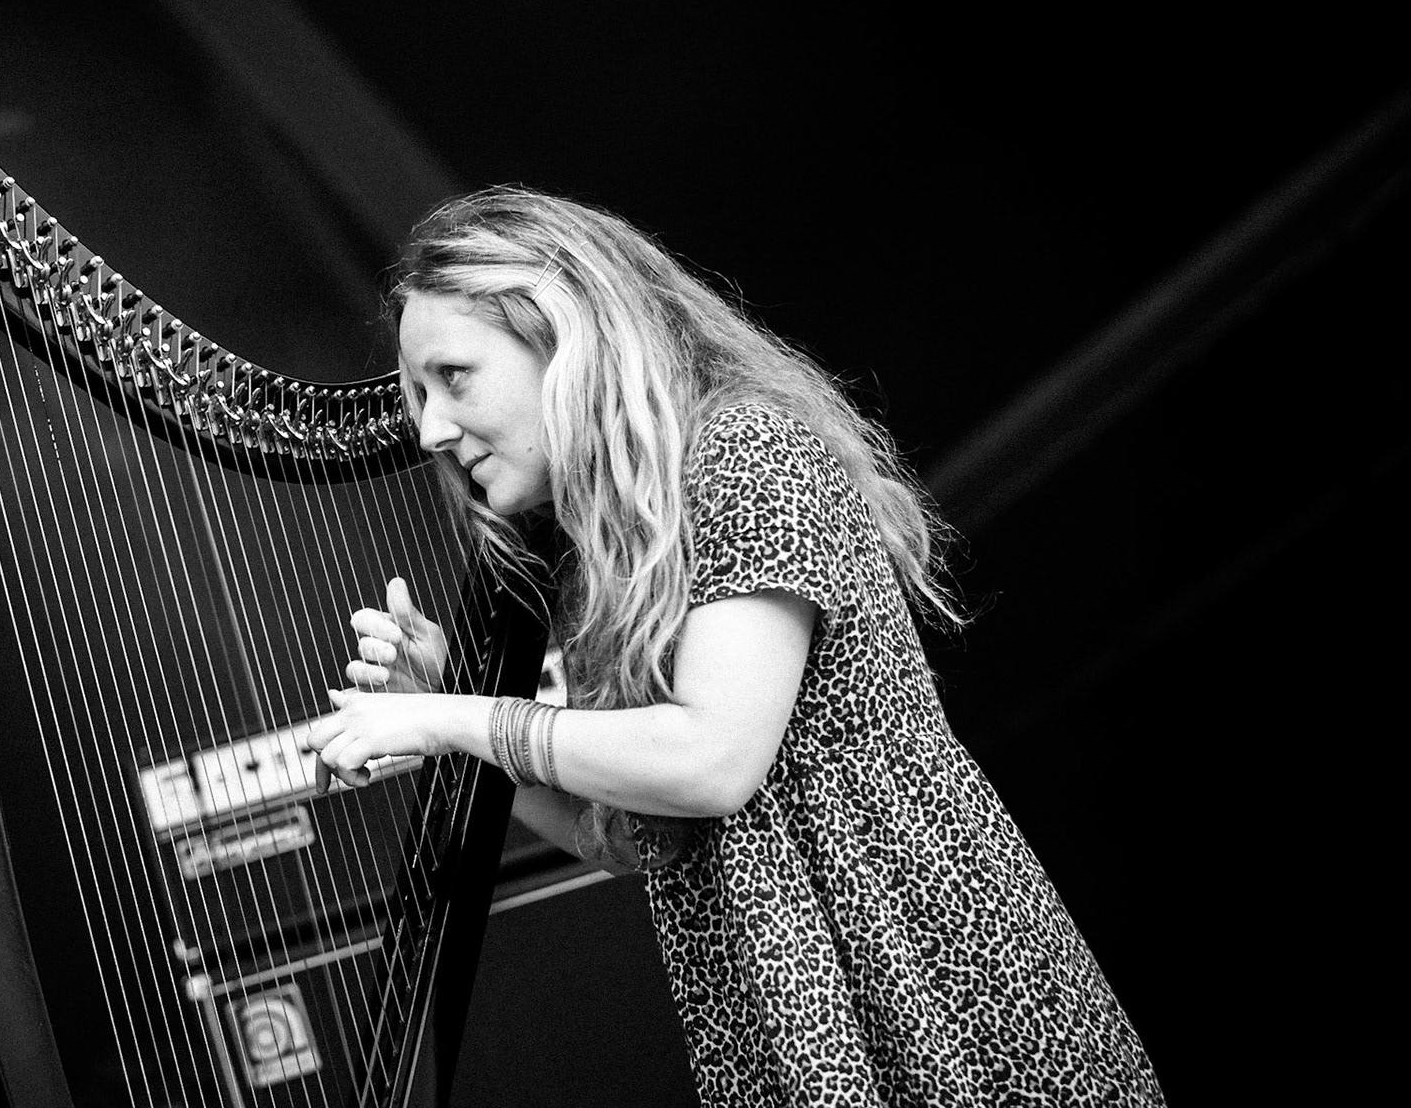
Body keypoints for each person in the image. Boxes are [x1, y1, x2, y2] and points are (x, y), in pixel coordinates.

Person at [301, 186, 1163, 1105]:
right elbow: (634, 837)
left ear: (562, 332)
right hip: (773, 1023)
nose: (430, 429)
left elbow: (712, 761)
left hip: (927, 981)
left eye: (453, 377)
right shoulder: (606, 554)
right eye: (417, 396)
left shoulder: (742, 450)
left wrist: (458, 716)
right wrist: (457, 726)